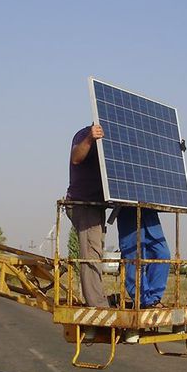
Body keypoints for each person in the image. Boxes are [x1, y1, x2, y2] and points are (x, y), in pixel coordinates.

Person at [65, 123, 108, 310]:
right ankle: (97, 306)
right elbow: (76, 157)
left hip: (97, 205)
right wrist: (90, 137)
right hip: (83, 204)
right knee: (91, 253)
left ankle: (97, 298)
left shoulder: (113, 138)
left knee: (95, 251)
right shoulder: (84, 134)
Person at [117, 207, 170, 308]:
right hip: (129, 209)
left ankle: (154, 299)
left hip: (150, 210)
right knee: (134, 257)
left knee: (163, 254)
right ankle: (142, 300)